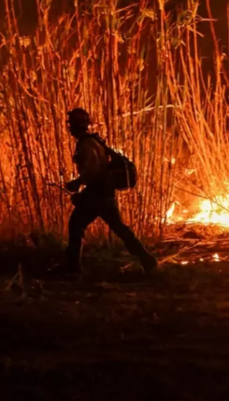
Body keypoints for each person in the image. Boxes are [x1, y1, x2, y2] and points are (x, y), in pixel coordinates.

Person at [60, 107, 158, 276]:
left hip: (97, 192)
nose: (69, 128)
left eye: (71, 125)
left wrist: (77, 183)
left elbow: (93, 170)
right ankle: (147, 260)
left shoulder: (86, 144)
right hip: (105, 192)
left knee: (76, 224)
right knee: (119, 228)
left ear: (76, 126)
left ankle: (72, 268)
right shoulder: (95, 141)